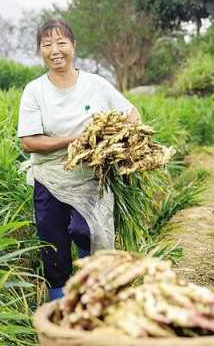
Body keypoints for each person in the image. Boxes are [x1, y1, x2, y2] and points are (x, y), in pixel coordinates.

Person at [17, 19, 140, 301]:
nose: (55, 50)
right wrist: (73, 141)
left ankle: (93, 293)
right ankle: (60, 306)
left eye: (61, 43)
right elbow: (28, 141)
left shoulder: (95, 84)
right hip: (50, 177)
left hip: (92, 176)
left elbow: (131, 113)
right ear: (40, 52)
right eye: (47, 45)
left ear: (74, 46)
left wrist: (121, 139)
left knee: (86, 231)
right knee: (53, 244)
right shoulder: (35, 91)